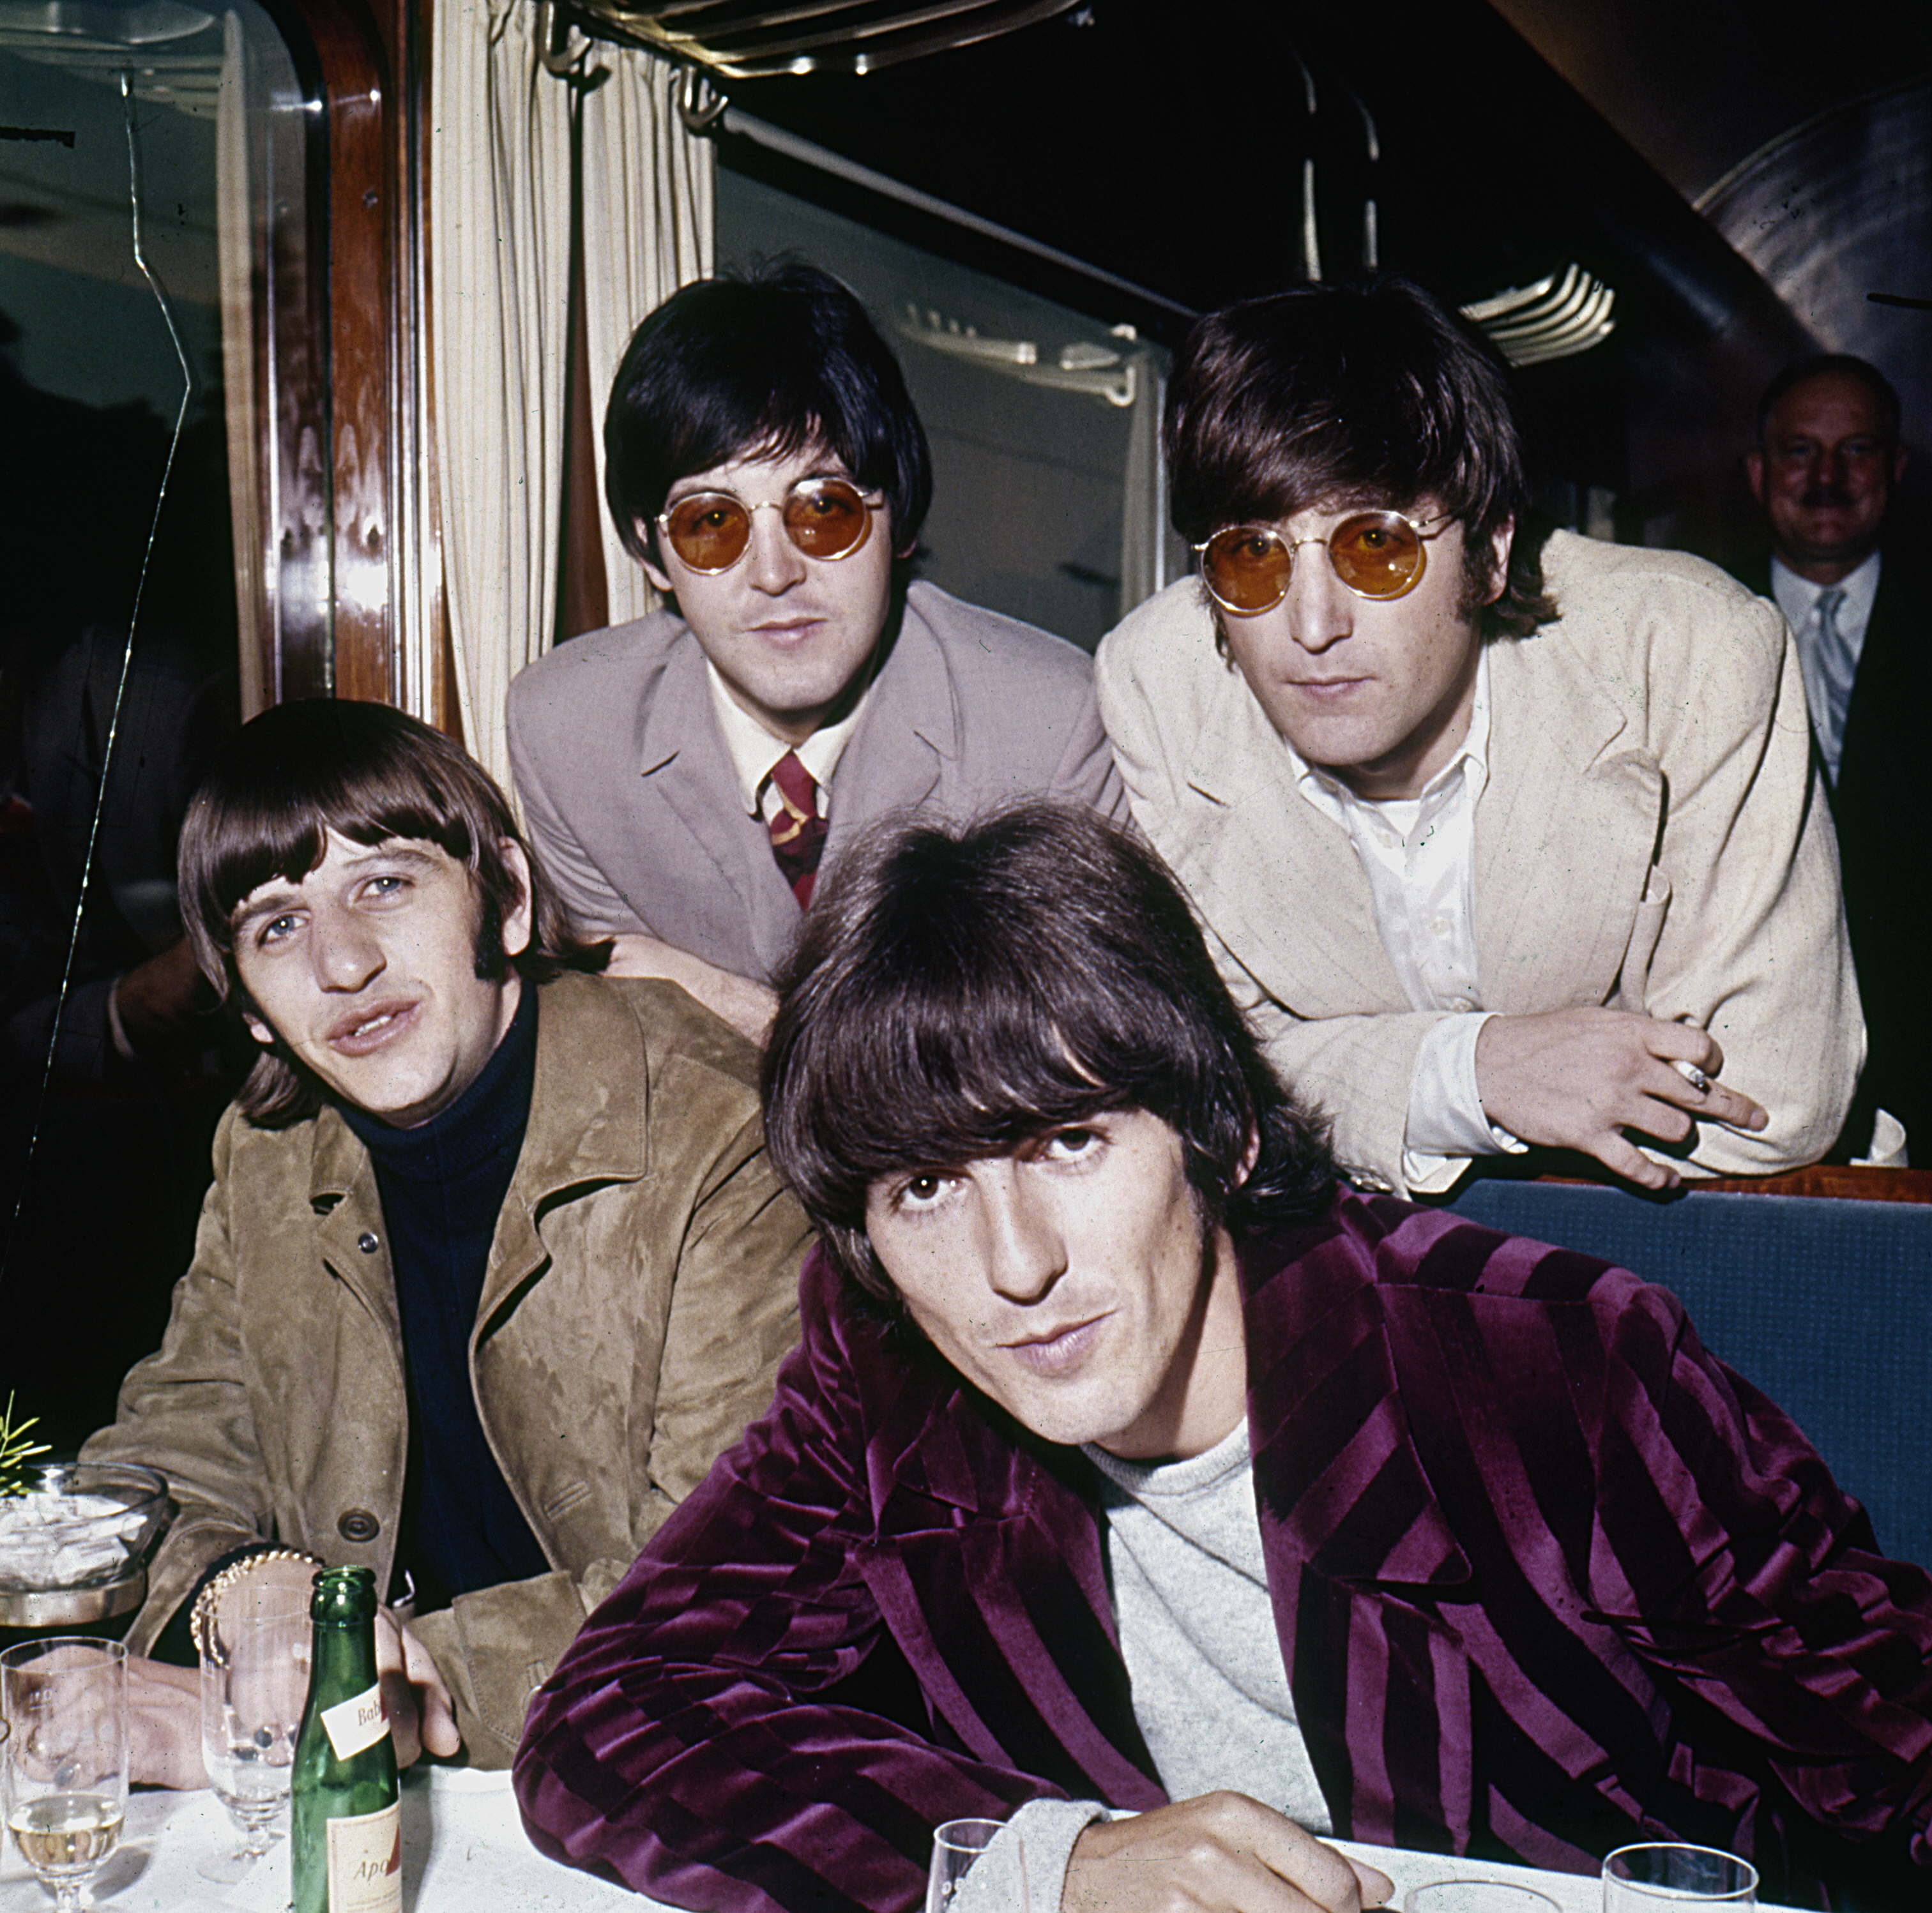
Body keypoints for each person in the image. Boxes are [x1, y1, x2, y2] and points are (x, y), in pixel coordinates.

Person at [513, 805, 1932, 1913]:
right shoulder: (887, 1374)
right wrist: (1048, 1869)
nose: (1014, 1269)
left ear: (1223, 1135)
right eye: (924, 1190)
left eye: (1067, 1142)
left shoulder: (1545, 1362)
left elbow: (1894, 1730)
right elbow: (610, 1717)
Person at [82, 699, 810, 1780]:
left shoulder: (716, 1134)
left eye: (385, 883)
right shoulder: (269, 1149)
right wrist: (249, 1593)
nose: (343, 964)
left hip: (658, 1780)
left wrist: (338, 1700)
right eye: (277, 924)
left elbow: (737, 1585)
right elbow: (167, 1462)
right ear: (246, 1007)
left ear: (507, 899)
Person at [1092, 276, 1859, 1199]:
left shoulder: (1687, 649)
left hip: (1721, 1236)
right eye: (1253, 554)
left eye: (1376, 547)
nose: (1312, 625)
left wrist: (1357, 1078)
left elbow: (1772, 1095)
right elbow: (1192, 1081)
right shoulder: (1158, 680)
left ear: (1491, 553)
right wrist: (1473, 1074)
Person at [506, 262, 1125, 1043]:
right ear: (650, 553)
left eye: (823, 509)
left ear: (897, 517)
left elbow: (1062, 1051)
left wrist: (742, 1009)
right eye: (711, 523)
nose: (774, 575)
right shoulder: (567, 730)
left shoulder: (1047, 722)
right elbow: (639, 1054)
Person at [1741, 354, 1926, 1161]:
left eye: (1855, 450)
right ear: (1757, 472)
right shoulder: (1684, 617)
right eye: (1797, 450)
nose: (1826, 476)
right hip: (1752, 1050)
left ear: (1895, 468)